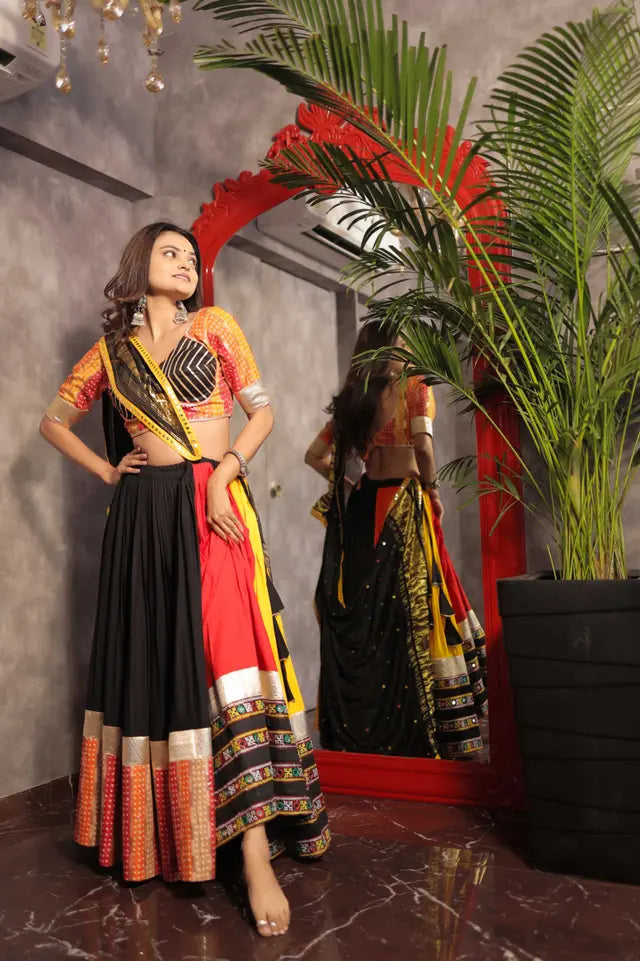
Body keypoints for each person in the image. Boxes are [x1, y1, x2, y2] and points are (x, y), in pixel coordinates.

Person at [40, 222, 330, 938]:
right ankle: (170, 832)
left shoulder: (215, 326)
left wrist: (225, 475)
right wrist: (109, 470)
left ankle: (255, 851)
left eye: (192, 257)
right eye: (171, 253)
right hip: (143, 514)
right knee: (162, 658)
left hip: (210, 501)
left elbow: (262, 412)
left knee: (229, 658)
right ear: (139, 264)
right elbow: (53, 421)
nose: (187, 264)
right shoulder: (112, 354)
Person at [305, 320, 487, 759]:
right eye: (402, 341)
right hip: (404, 504)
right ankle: (420, 726)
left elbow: (315, 455)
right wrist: (433, 489)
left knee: (370, 614)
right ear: (387, 348)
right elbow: (423, 447)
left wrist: (350, 486)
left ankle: (366, 724)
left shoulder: (355, 398)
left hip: (365, 504)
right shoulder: (415, 387)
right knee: (412, 611)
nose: (408, 348)